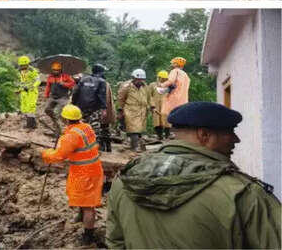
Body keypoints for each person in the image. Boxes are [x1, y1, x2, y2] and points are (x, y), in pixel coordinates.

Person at [106, 102, 280, 249]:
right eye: (229, 131)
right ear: (204, 135)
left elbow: (116, 242)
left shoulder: (125, 181)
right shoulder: (242, 193)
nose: (236, 139)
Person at [41, 104, 104, 246]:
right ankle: (82, 217)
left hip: (84, 173)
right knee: (85, 200)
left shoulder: (71, 136)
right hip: (93, 169)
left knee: (88, 205)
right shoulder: (86, 127)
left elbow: (59, 156)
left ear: (65, 119)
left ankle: (88, 236)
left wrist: (45, 153)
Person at [71, 64, 110, 152]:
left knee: (79, 127)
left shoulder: (83, 79)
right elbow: (101, 96)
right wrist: (104, 108)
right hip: (94, 108)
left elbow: (76, 92)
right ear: (101, 72)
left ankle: (76, 146)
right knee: (94, 129)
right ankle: (92, 149)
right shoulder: (102, 81)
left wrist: (73, 104)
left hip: (81, 107)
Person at [116, 69, 150, 152]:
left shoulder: (145, 87)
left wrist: (152, 107)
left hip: (142, 110)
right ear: (133, 78)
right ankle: (134, 147)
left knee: (139, 130)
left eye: (142, 79)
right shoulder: (126, 86)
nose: (140, 81)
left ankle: (137, 145)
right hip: (131, 110)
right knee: (134, 129)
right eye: (138, 79)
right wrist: (120, 110)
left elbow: (149, 97)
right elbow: (120, 99)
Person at [42, 62, 76, 135]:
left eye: (57, 70)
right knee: (47, 110)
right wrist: (46, 95)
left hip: (63, 98)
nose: (55, 71)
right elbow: (48, 86)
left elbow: (73, 84)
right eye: (54, 70)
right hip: (53, 97)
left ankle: (61, 130)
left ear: (60, 70)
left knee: (56, 112)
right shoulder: (50, 77)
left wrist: (63, 83)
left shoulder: (65, 76)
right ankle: (57, 122)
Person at [159, 57, 190, 126]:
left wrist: (162, 85)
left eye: (173, 63)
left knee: (170, 115)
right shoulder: (186, 75)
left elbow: (170, 81)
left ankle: (173, 130)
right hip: (183, 99)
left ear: (177, 64)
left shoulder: (175, 71)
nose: (172, 64)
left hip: (174, 98)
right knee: (180, 115)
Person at [14, 56, 42, 129]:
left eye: (23, 65)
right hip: (24, 92)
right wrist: (19, 90)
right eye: (21, 65)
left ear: (27, 64)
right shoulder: (20, 71)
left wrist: (33, 86)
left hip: (31, 91)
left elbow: (38, 80)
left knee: (31, 107)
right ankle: (32, 124)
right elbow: (21, 82)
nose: (22, 67)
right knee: (24, 108)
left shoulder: (33, 71)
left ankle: (30, 124)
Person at [149, 70, 171, 139]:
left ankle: (167, 135)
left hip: (166, 106)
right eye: (162, 78)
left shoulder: (169, 86)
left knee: (167, 121)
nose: (163, 80)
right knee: (157, 121)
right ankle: (160, 136)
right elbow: (149, 96)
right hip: (156, 106)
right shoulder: (152, 85)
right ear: (158, 77)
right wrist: (152, 106)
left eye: (165, 78)